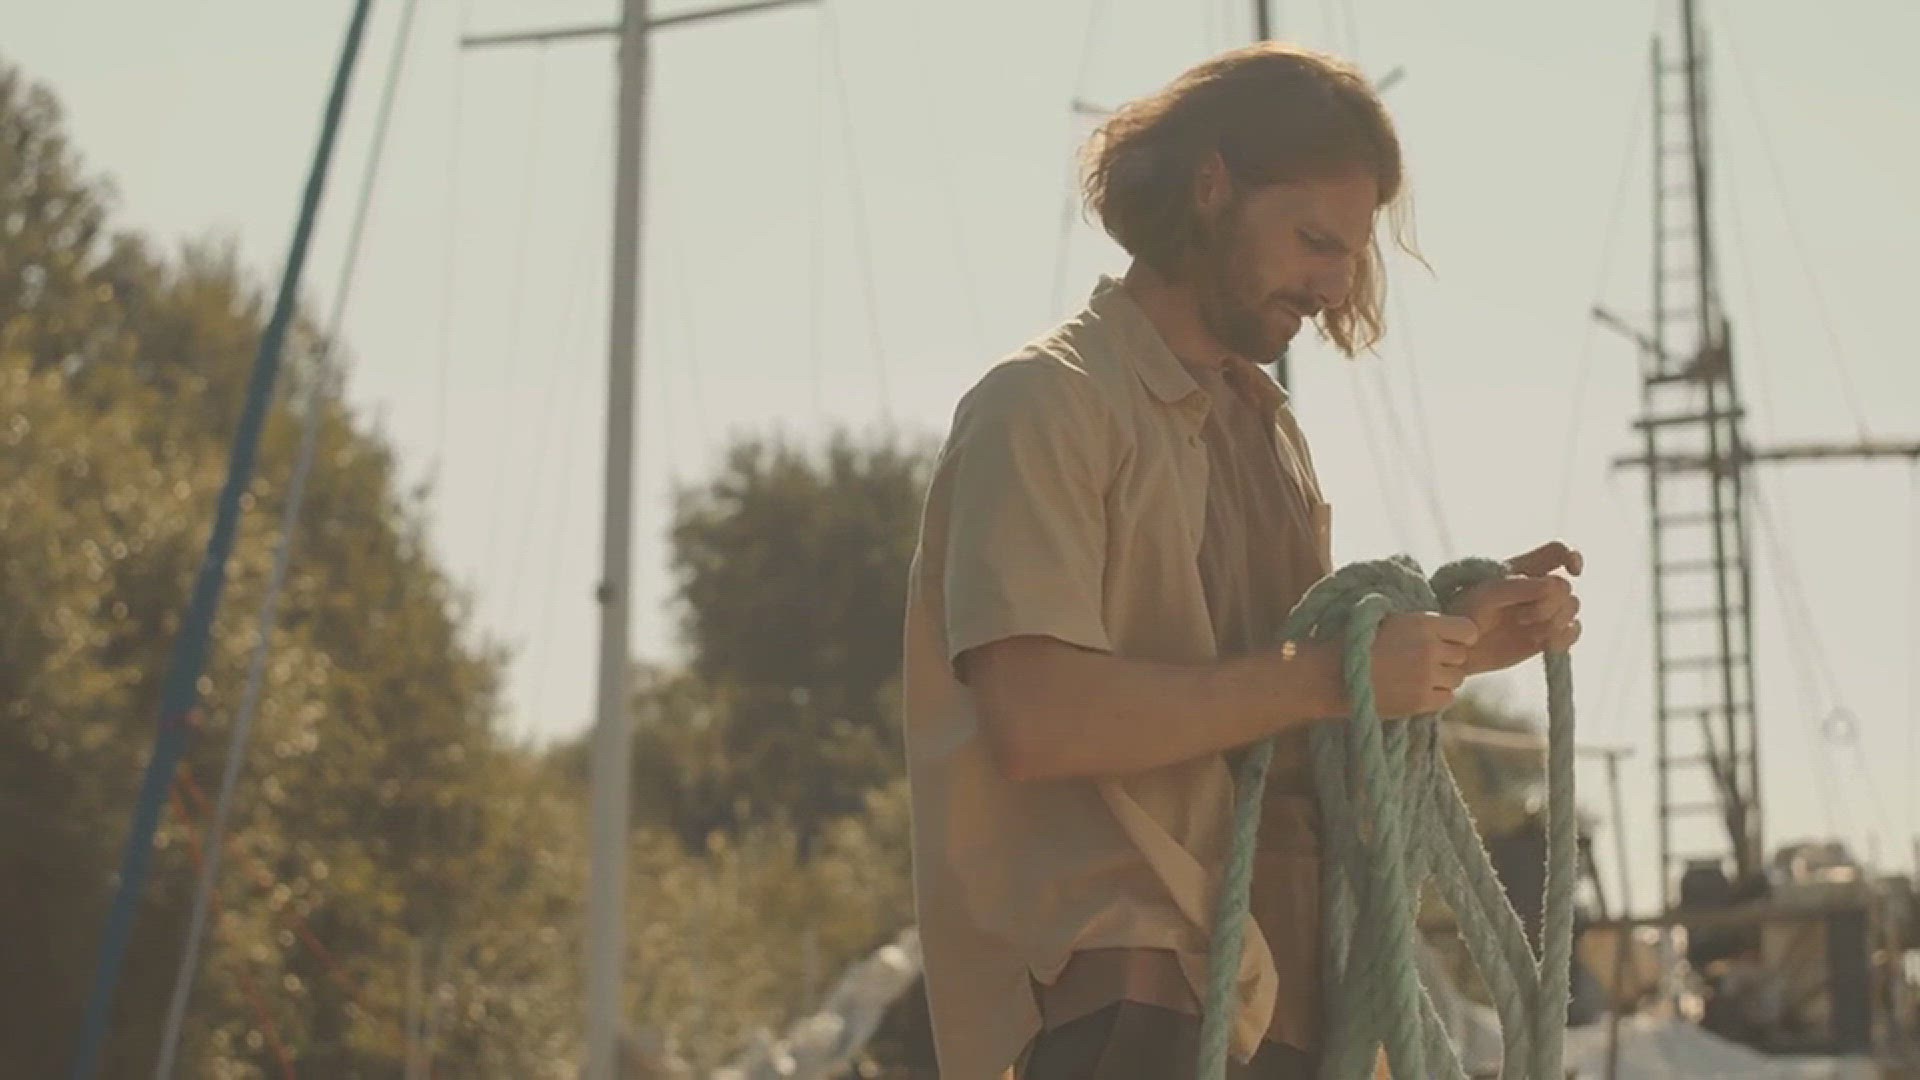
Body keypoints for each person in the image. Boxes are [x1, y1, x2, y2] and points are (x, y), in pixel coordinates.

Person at [900, 42, 1584, 1080]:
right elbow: (1038, 721)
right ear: (1211, 187)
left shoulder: (1268, 435)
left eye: (1351, 253)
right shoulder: (1045, 404)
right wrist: (1336, 676)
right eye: (1313, 240)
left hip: (1289, 995)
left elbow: (1274, 718)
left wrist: (1444, 653)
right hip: (1130, 989)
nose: (1335, 283)